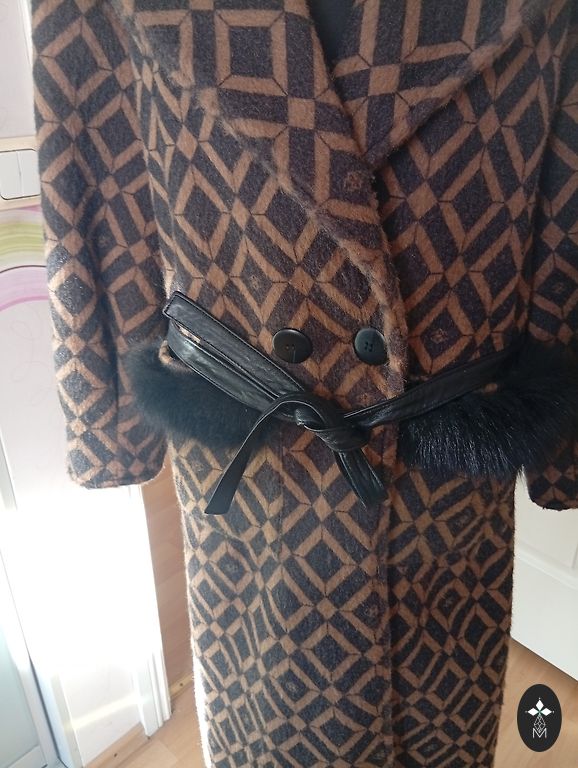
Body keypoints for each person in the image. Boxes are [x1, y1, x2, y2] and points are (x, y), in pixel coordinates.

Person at [32, 1, 578, 765]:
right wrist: (105, 424)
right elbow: (91, 185)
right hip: (255, 485)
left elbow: (569, 220)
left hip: (443, 486)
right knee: (266, 720)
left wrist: (562, 453)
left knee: (444, 717)